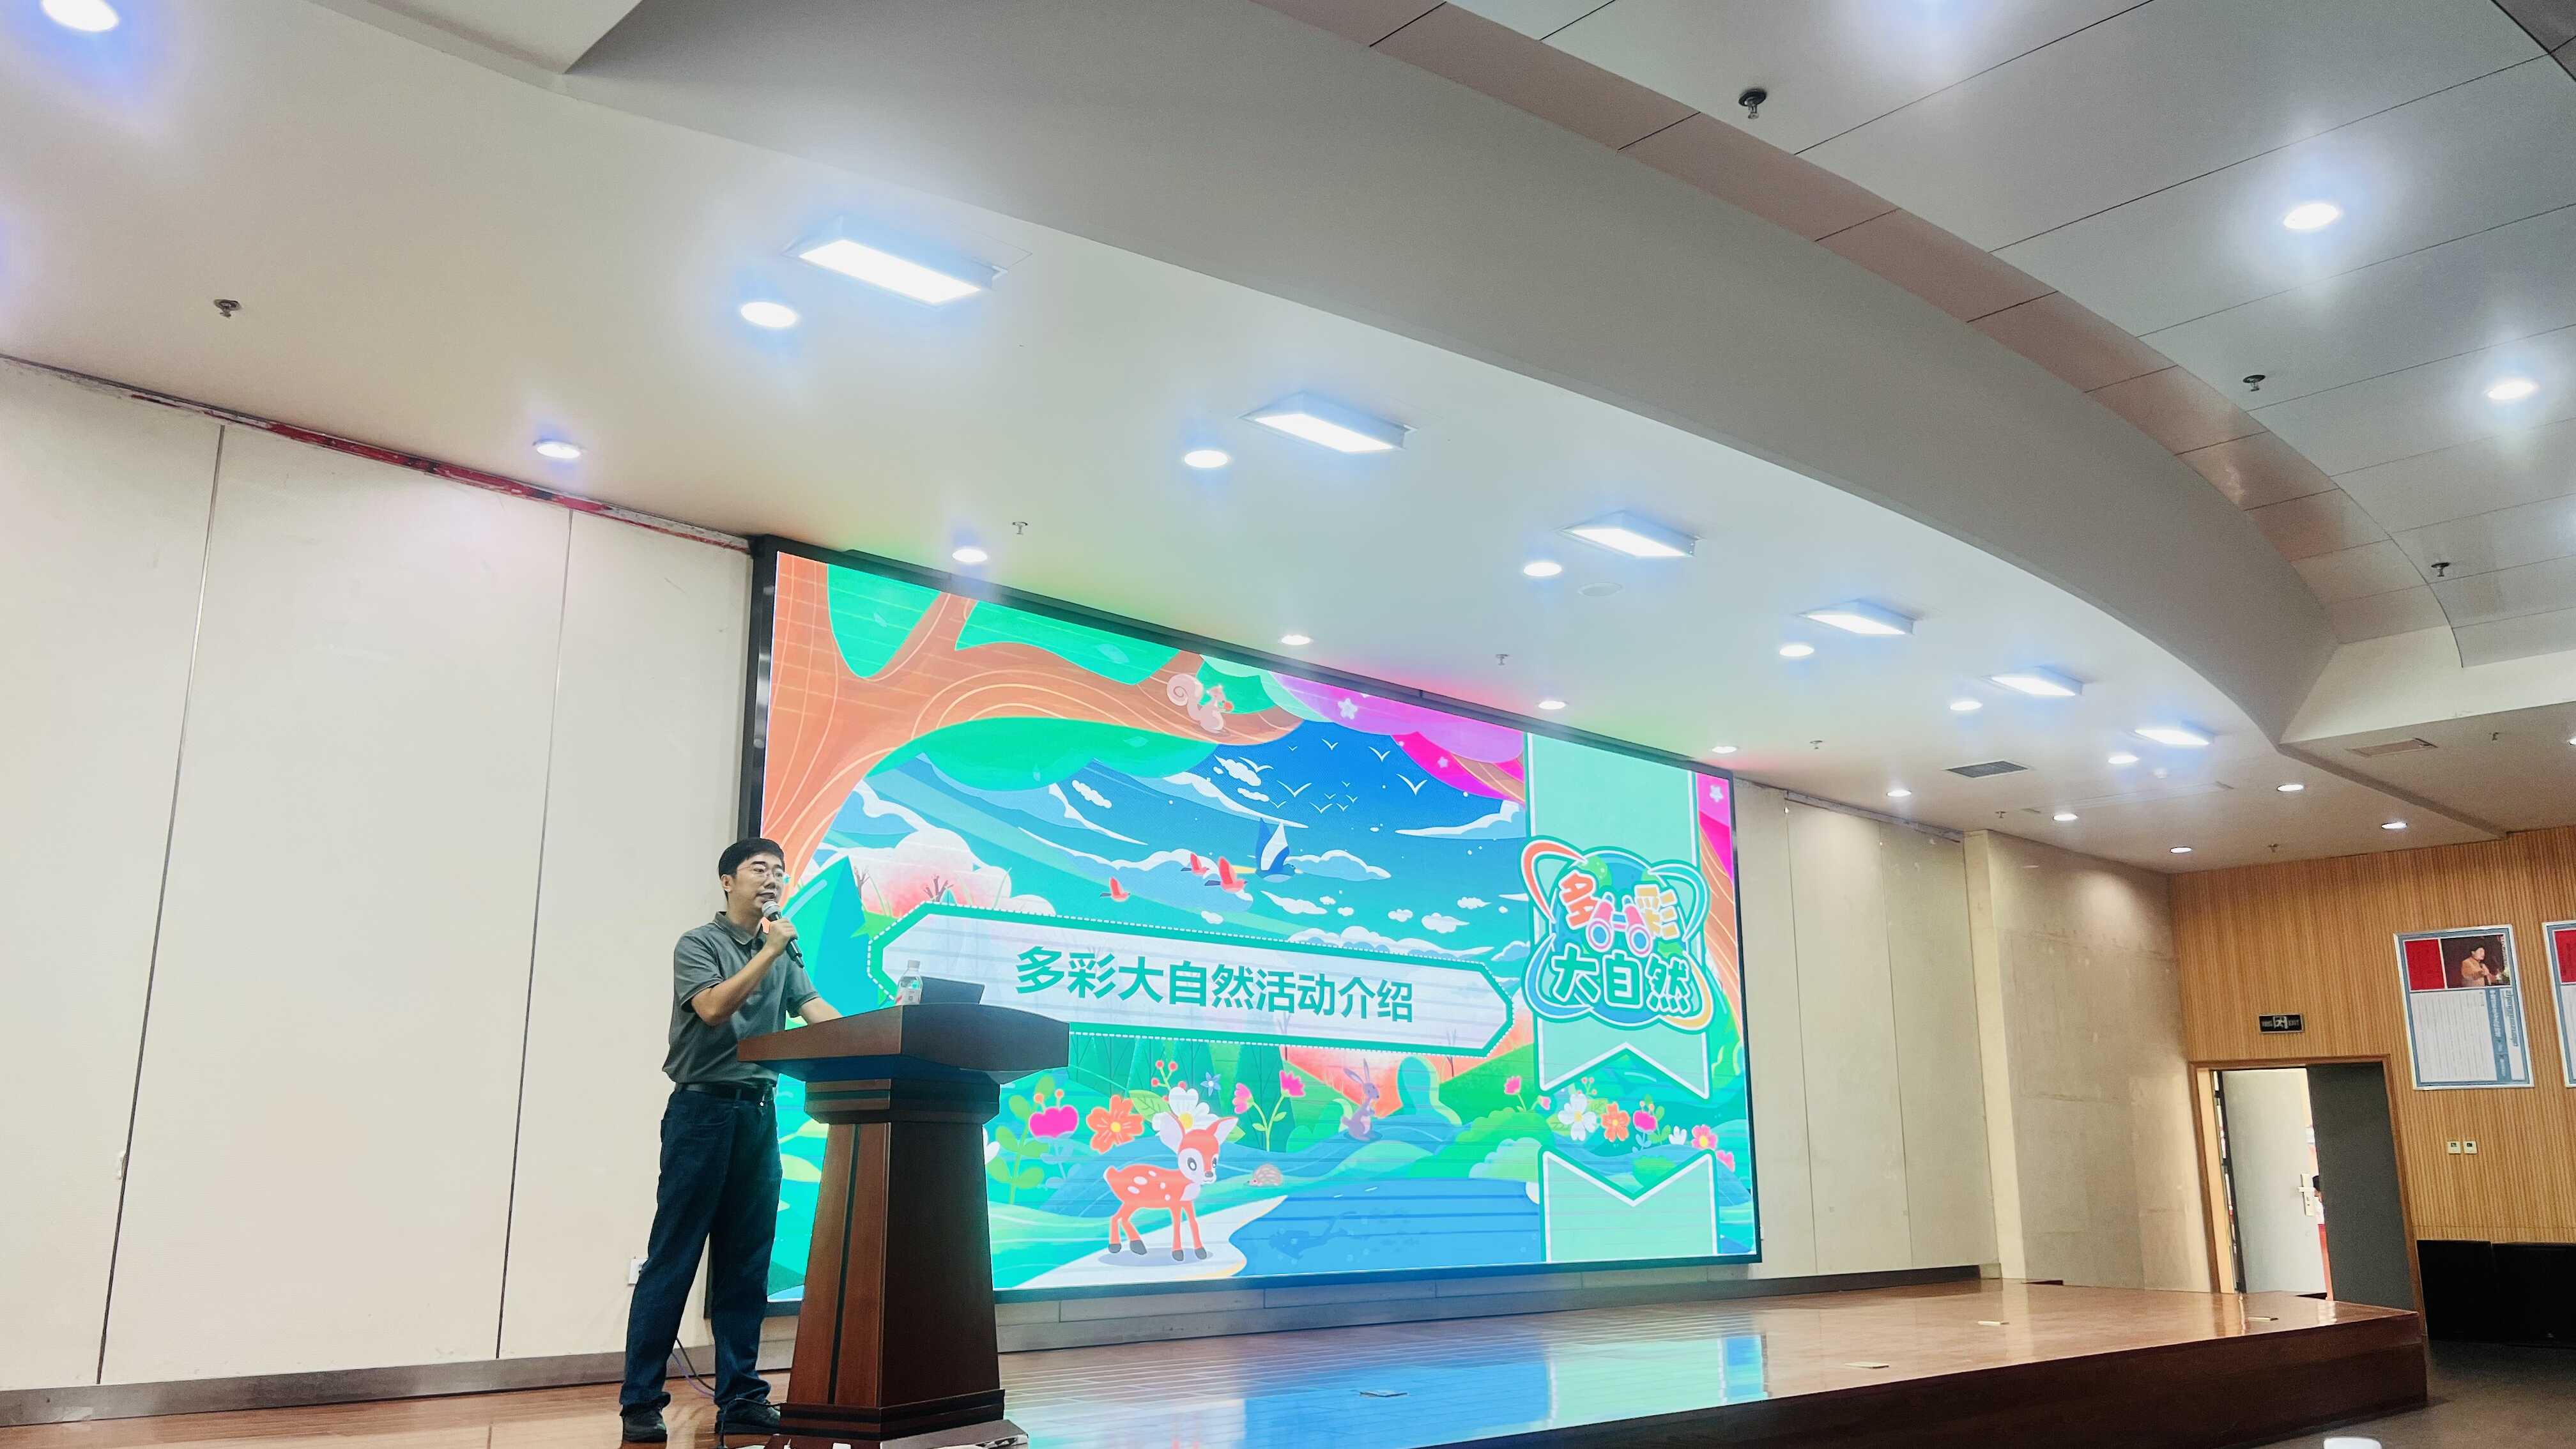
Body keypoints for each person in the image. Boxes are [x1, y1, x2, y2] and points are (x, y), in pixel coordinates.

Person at [619, 838, 840, 1444]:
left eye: (779, 871)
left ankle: (741, 1398)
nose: (771, 879)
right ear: (727, 881)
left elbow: (813, 1008)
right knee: (675, 1257)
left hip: (759, 1115)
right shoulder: (700, 944)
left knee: (747, 1264)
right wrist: (769, 951)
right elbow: (715, 1008)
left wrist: (877, 1032)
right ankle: (641, 1401)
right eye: (758, 869)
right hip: (703, 1112)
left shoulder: (783, 951)